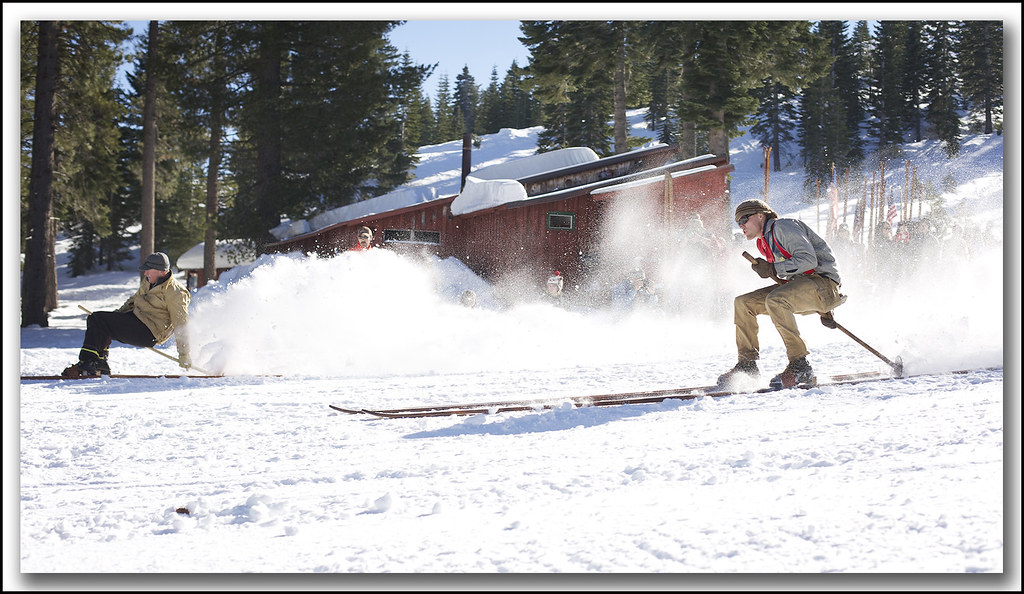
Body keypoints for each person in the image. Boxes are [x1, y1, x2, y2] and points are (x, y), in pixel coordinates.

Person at [717, 199, 844, 390]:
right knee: (743, 303)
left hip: (822, 284)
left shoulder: (783, 227)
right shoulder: (763, 242)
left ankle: (800, 365)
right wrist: (773, 270)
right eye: (738, 223)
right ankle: (747, 365)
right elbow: (790, 279)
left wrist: (774, 268)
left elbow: (808, 260)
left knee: (776, 300)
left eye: (744, 219)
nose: (741, 226)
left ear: (761, 215)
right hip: (802, 287)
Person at [61, 252, 192, 378]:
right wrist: (116, 316)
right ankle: (99, 363)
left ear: (161, 271)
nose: (145, 273)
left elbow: (181, 324)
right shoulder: (149, 281)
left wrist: (184, 353)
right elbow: (134, 300)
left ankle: (88, 362)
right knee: (97, 320)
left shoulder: (176, 293)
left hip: (149, 332)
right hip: (136, 320)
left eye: (148, 270)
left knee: (99, 319)